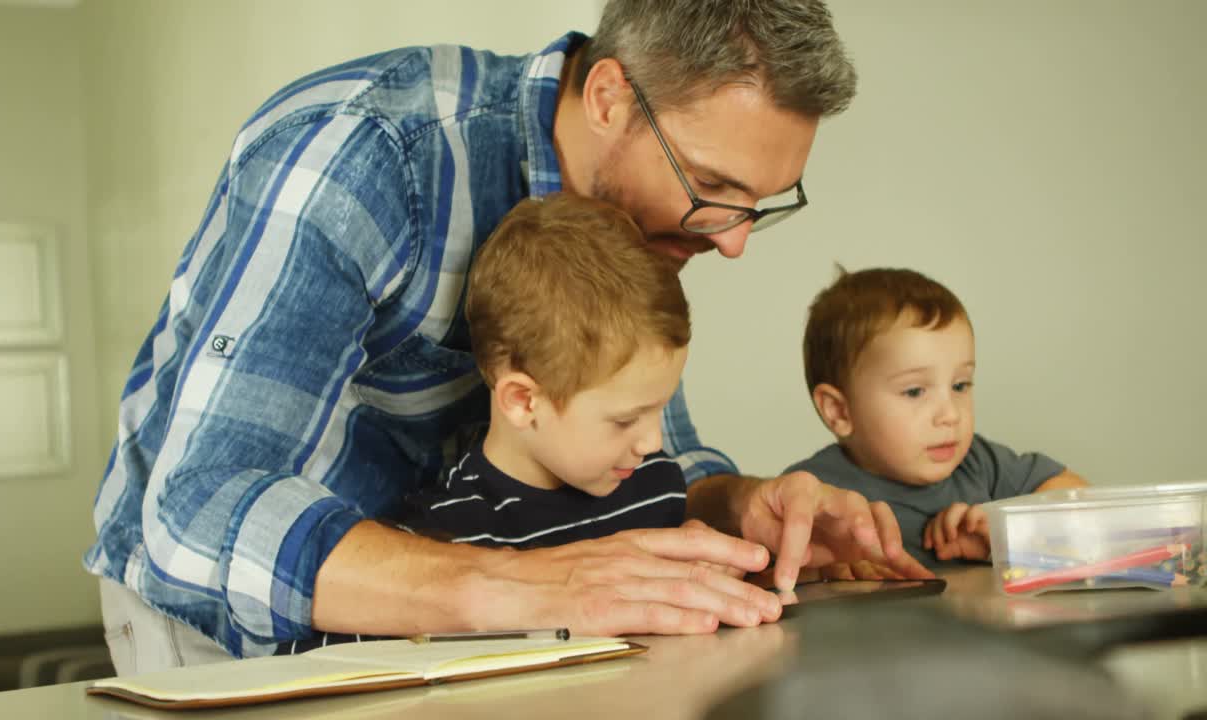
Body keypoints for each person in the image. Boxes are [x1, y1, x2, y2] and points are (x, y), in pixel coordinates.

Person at [86, 0, 930, 672]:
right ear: (608, 98)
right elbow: (196, 514)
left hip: (453, 626)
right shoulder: (369, 153)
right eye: (712, 186)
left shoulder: (632, 226)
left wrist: (738, 509)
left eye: (760, 204)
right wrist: (530, 585)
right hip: (226, 622)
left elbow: (634, 445)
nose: (734, 240)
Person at [389, 194, 691, 547]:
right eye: (625, 420)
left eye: (660, 409)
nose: (654, 443)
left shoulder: (659, 488)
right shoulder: (445, 541)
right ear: (522, 401)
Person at [785, 267, 1088, 569]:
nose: (950, 415)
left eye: (960, 386)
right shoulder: (811, 493)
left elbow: (1078, 495)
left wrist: (1005, 533)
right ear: (839, 411)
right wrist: (822, 573)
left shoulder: (979, 464)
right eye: (915, 391)